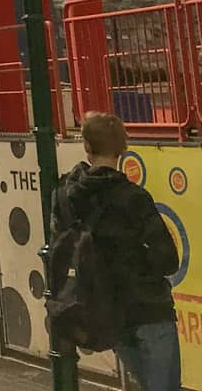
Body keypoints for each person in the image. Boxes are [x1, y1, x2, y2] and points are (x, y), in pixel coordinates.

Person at [53, 112, 180, 391]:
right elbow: (168, 260)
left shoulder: (66, 194)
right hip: (149, 309)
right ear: (123, 148)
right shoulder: (133, 198)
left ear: (86, 146)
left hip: (108, 310)